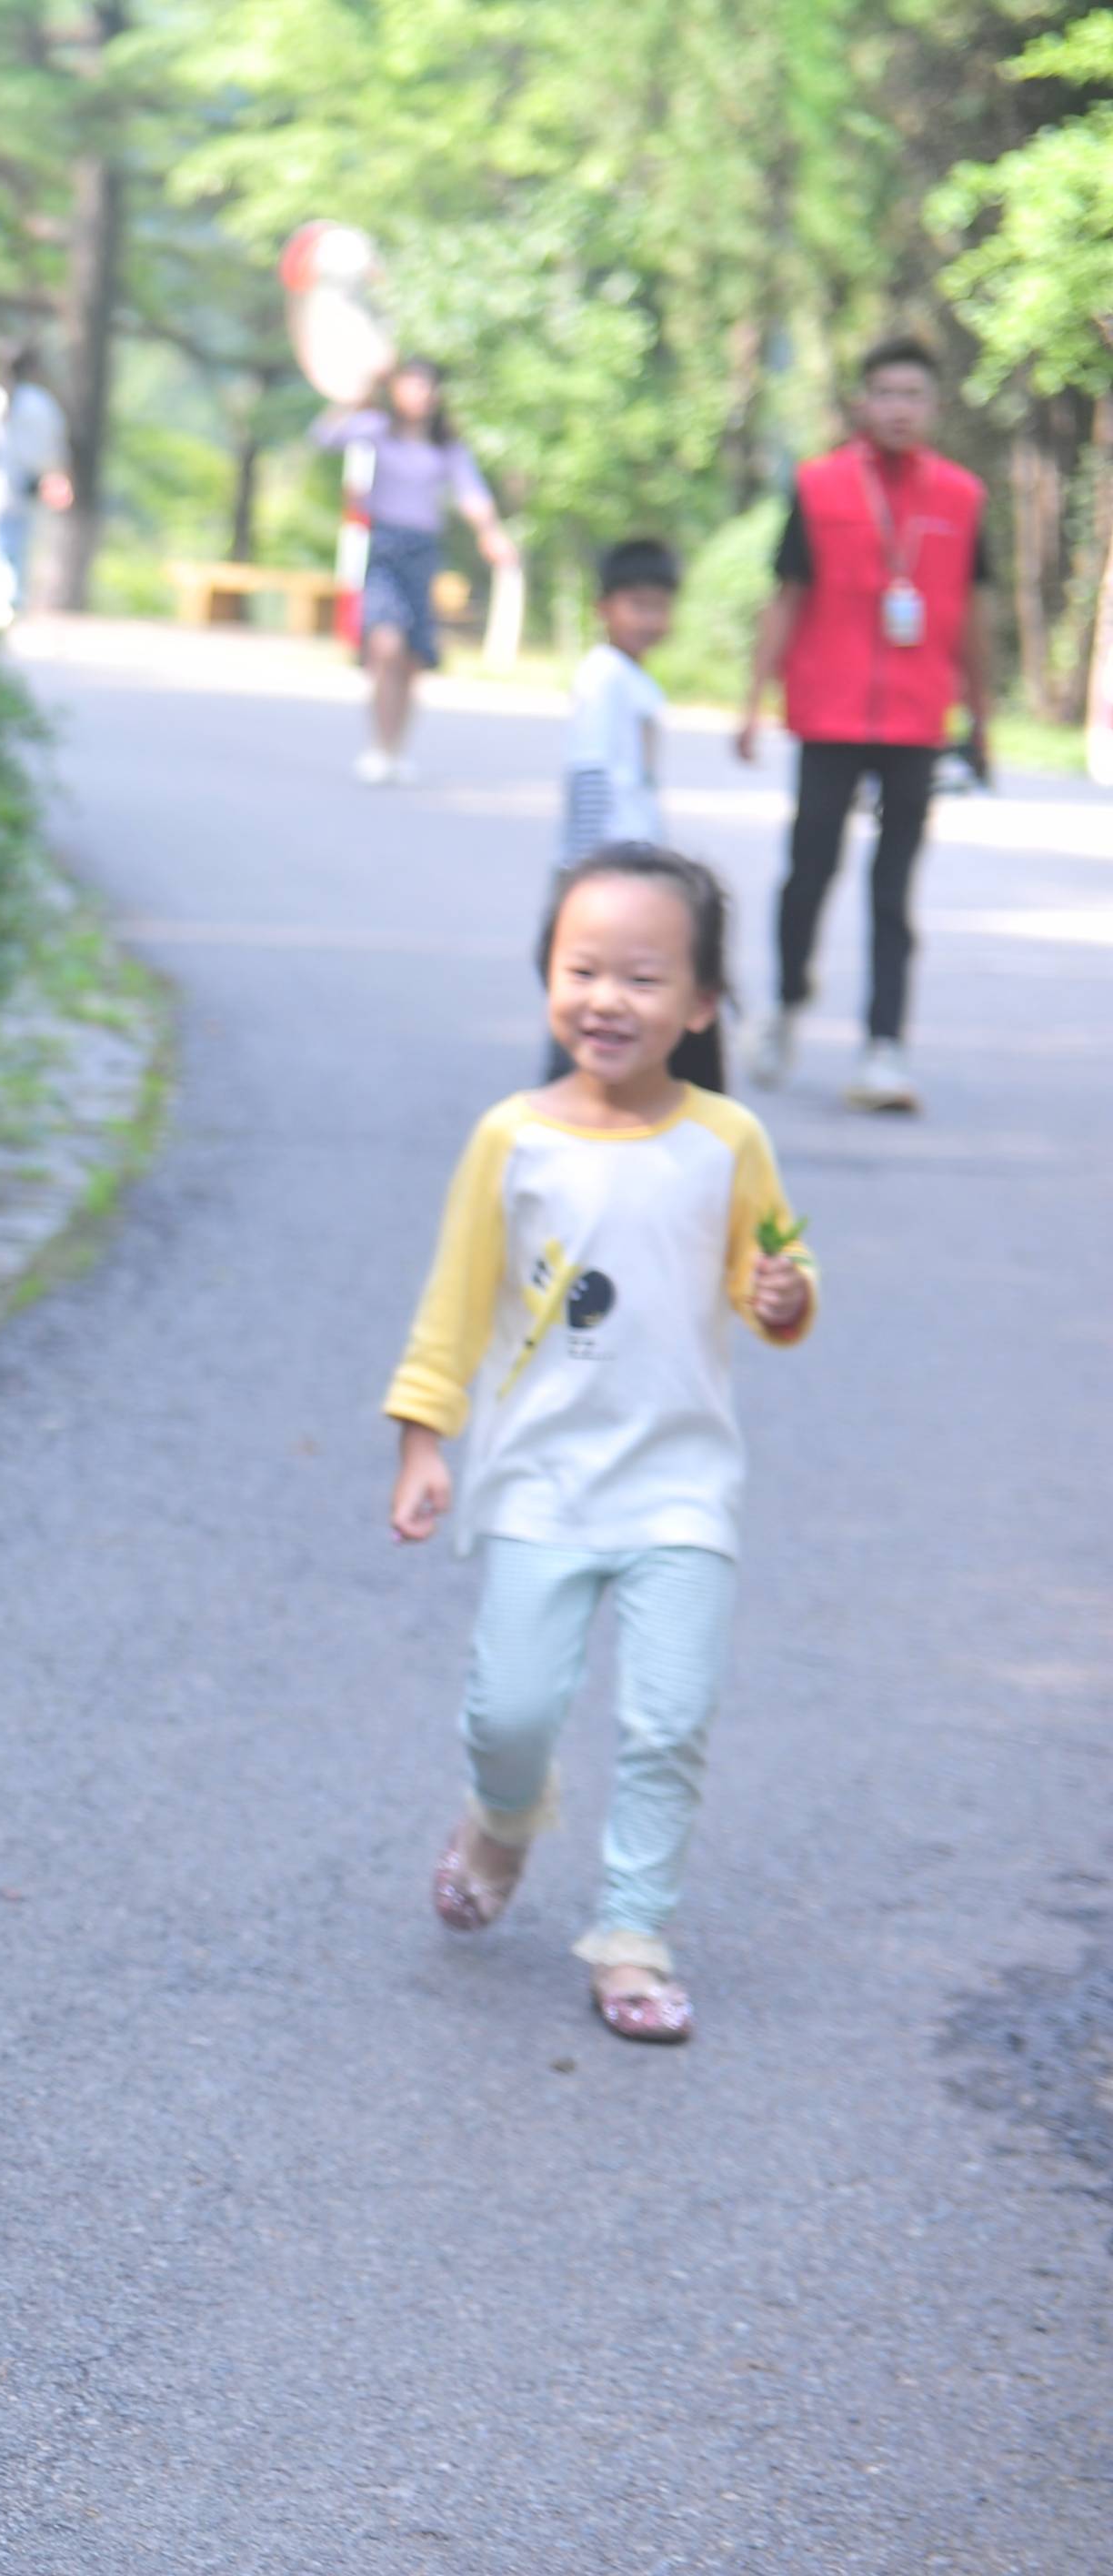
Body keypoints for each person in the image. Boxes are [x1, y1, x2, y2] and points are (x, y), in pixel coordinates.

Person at [384, 846, 817, 2047]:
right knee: (510, 1714)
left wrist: (785, 1294)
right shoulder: (510, 1139)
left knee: (669, 1720)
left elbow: (775, 1269)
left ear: (702, 1004)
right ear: (547, 981)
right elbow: (454, 1304)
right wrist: (425, 1438)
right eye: (582, 969)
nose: (607, 998)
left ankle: (632, 1934)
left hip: (684, 1486)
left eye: (642, 975)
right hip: (540, 1484)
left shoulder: (727, 1141)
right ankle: (506, 1817)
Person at [735, 337, 993, 1117]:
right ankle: (785, 1005)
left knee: (894, 889)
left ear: (933, 406)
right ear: (861, 403)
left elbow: (976, 616)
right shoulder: (817, 488)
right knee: (807, 871)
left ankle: (885, 1048)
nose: (898, 408)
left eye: (913, 394)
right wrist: (752, 699)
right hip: (830, 711)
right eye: (884, 393)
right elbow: (784, 598)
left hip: (917, 720)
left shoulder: (962, 497)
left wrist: (980, 716)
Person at [314, 359, 519, 785]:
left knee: (410, 659)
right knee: (384, 647)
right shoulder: (375, 430)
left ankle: (396, 749)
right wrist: (354, 396)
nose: (420, 393)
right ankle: (378, 745)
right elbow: (325, 436)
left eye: (428, 386)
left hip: (422, 553)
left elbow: (471, 493)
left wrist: (490, 534)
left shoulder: (445, 448)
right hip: (385, 548)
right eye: (412, 384)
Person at [562, 539, 678, 862]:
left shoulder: (636, 678)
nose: (650, 620)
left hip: (636, 847)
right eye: (639, 606)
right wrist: (579, 866)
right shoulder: (602, 676)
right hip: (608, 855)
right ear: (603, 608)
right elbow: (589, 772)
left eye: (660, 607)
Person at [0, 339, 73, 632]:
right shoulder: (40, 403)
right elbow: (52, 449)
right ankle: (11, 601)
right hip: (25, 486)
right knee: (17, 547)